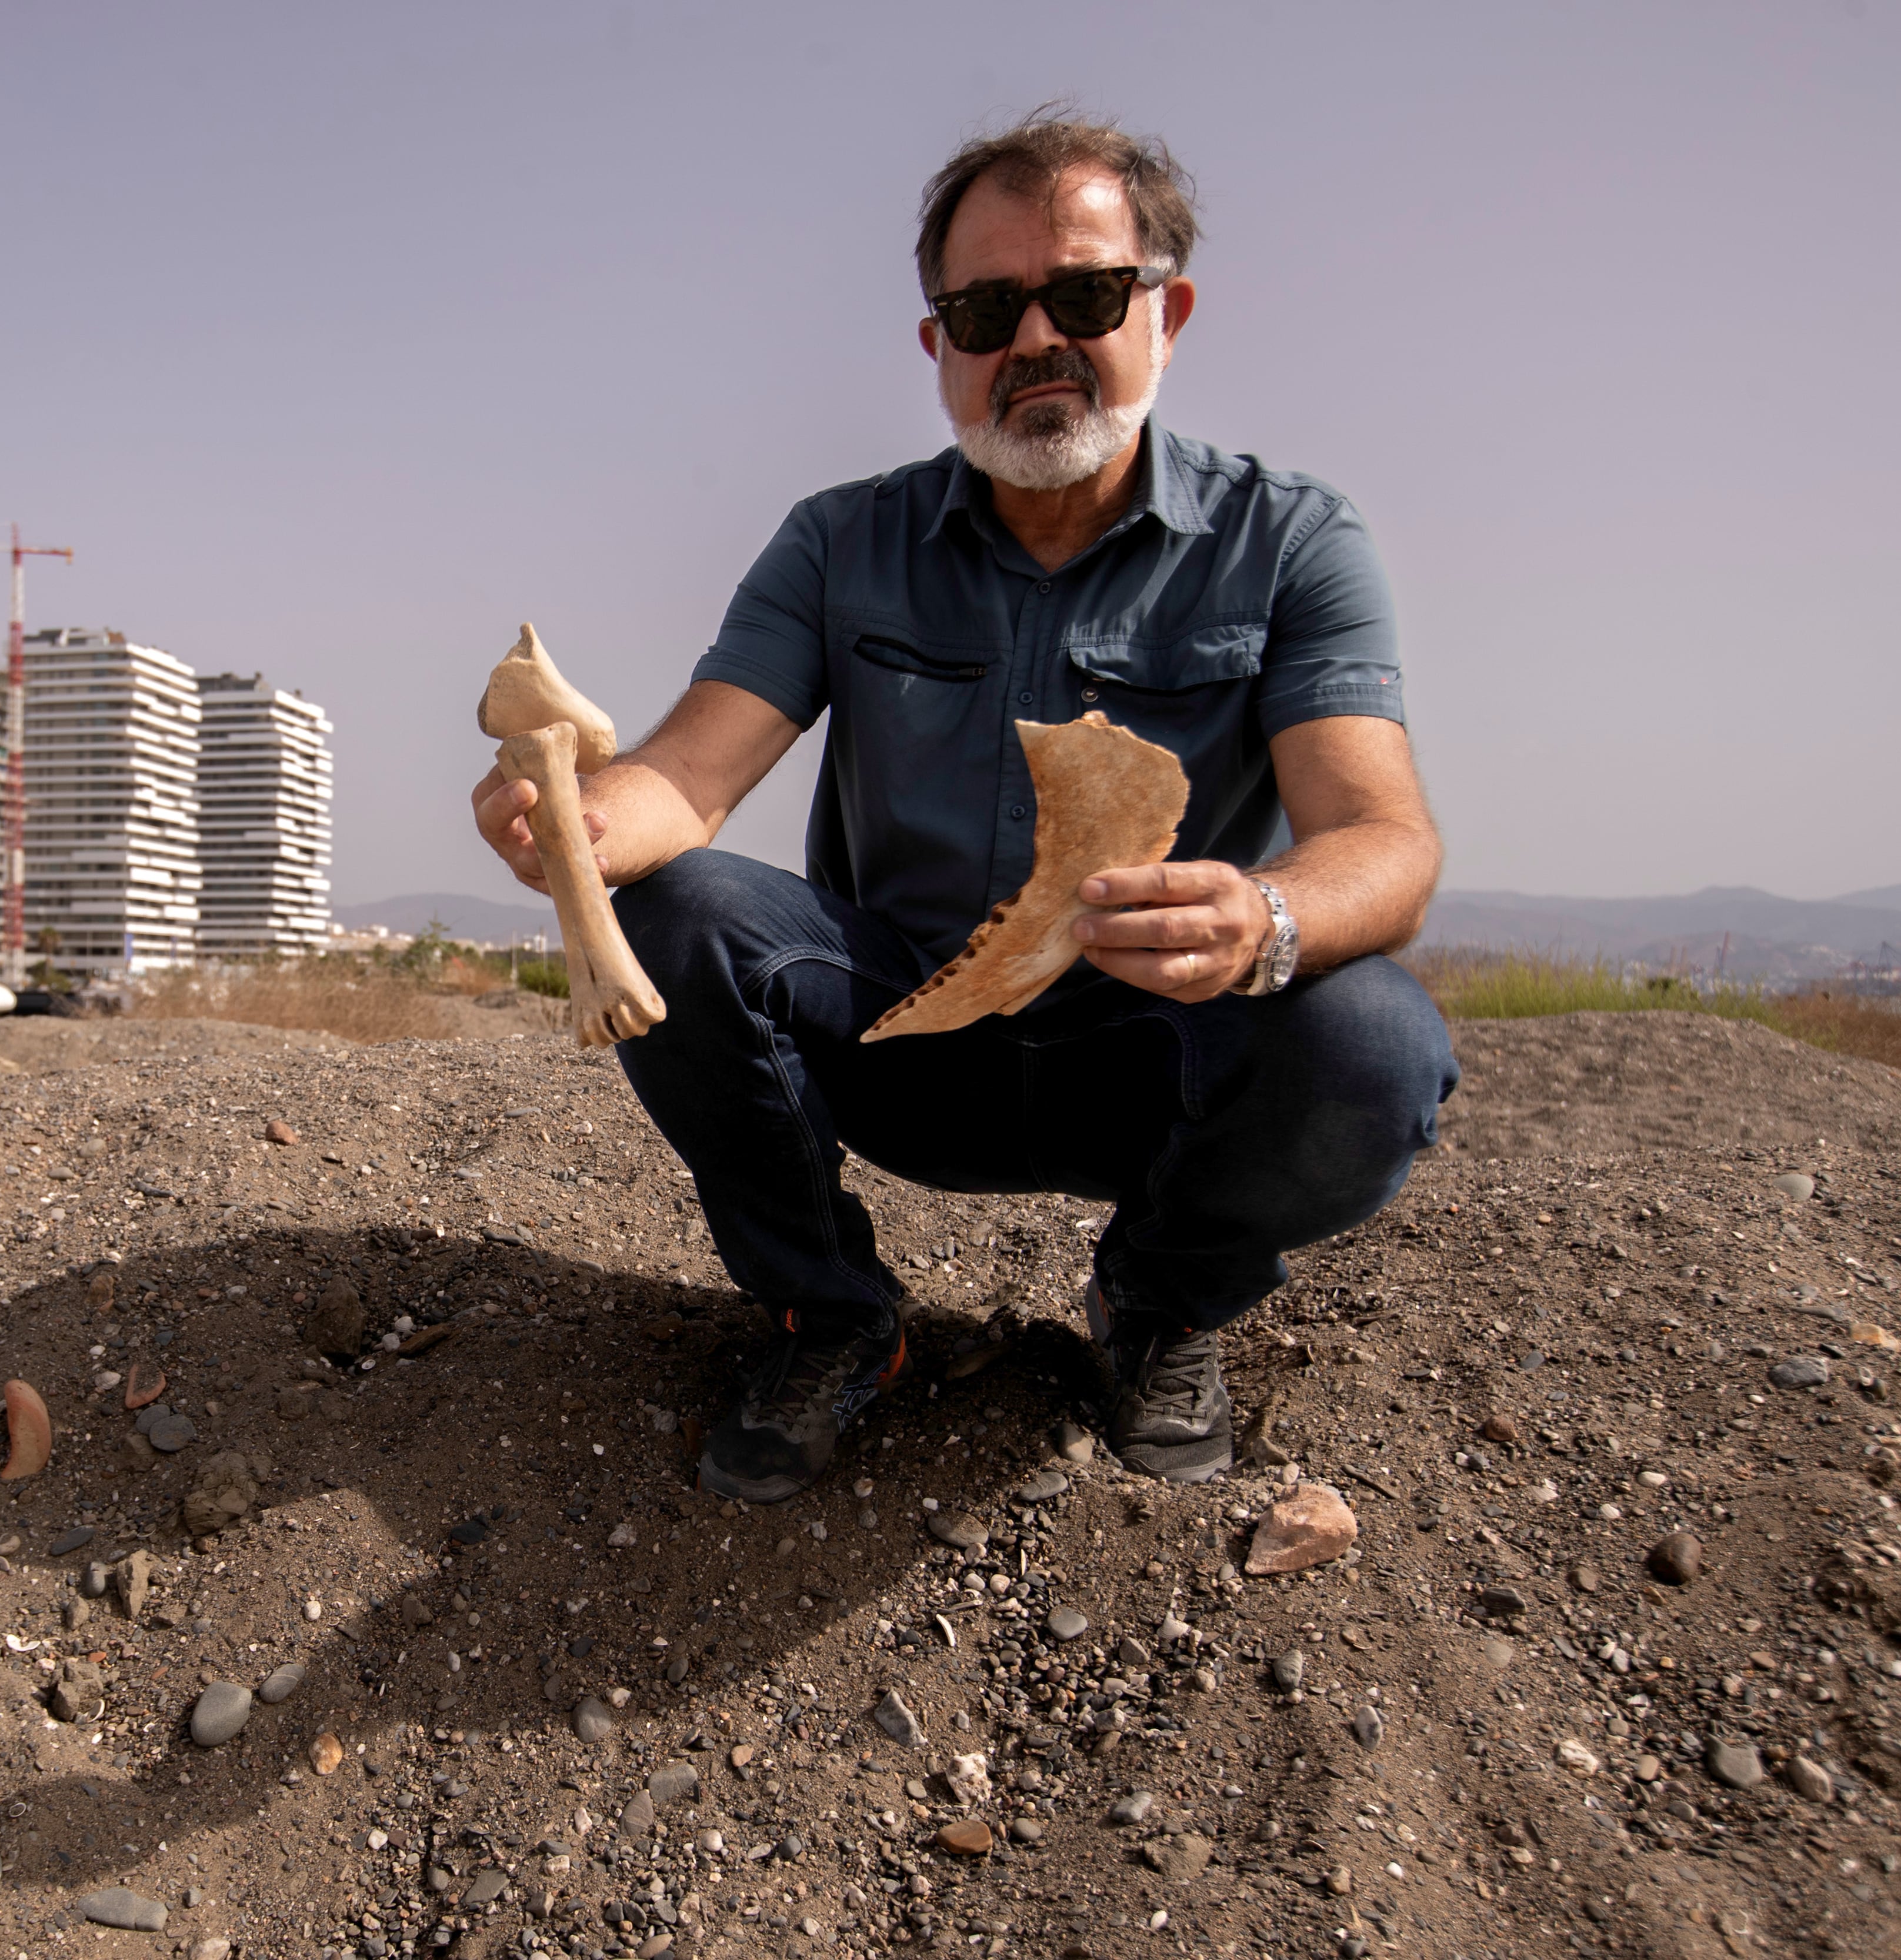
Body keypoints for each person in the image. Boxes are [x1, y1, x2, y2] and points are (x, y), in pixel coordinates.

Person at [470, 113, 1458, 1499]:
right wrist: (569, 824)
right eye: (987, 308)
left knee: (1370, 1035)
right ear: (936, 346)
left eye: (1087, 296)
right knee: (678, 911)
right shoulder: (838, 542)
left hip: (1153, 1051)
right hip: (901, 1037)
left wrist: (1264, 914)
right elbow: (687, 778)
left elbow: (1385, 840)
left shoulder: (1290, 541)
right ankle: (836, 1318)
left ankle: (1157, 1307)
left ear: (1164, 313)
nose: (1035, 338)